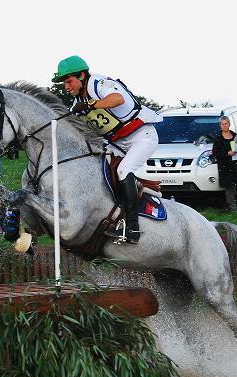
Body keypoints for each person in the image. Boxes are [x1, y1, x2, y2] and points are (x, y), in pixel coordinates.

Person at [52, 55, 162, 244]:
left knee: (123, 170)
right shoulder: (76, 103)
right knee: (97, 170)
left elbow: (117, 99)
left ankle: (133, 229)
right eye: (64, 83)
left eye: (69, 81)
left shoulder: (98, 82)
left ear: (82, 75)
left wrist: (89, 104)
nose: (67, 87)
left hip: (141, 136)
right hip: (117, 143)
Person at [211, 116, 237, 211]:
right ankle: (232, 207)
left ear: (229, 124)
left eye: (226, 123)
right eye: (222, 124)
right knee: (229, 186)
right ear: (220, 125)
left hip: (236, 163)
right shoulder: (218, 138)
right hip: (224, 165)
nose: (224, 125)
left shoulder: (235, 135)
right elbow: (215, 153)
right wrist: (227, 153)